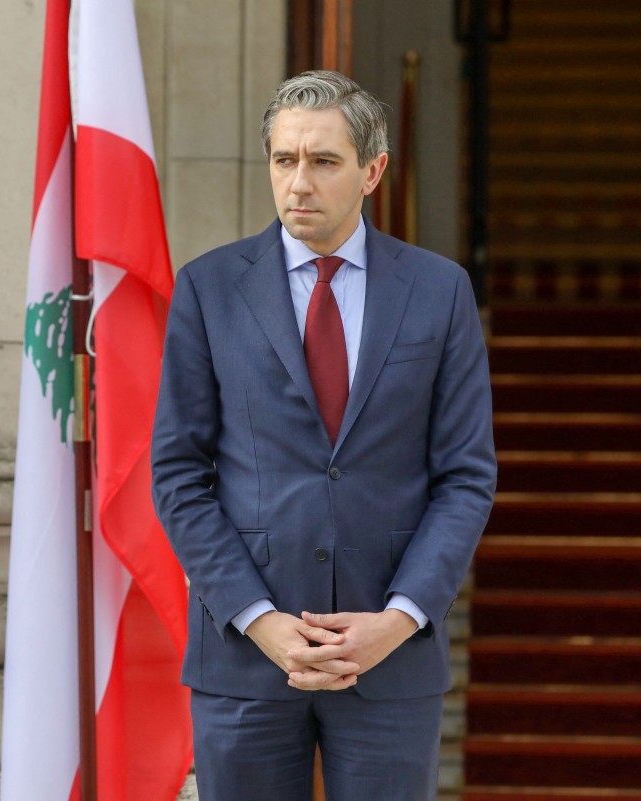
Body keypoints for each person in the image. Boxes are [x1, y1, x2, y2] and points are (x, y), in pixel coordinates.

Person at [150, 70, 496, 801]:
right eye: (284, 160)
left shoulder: (440, 291)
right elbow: (179, 472)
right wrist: (258, 618)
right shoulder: (209, 288)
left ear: (373, 171)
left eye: (323, 161)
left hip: (390, 661)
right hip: (245, 660)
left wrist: (398, 619)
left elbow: (465, 476)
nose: (298, 182)